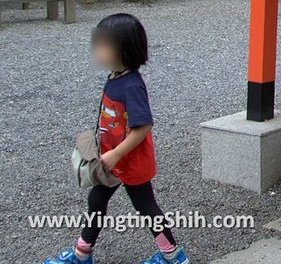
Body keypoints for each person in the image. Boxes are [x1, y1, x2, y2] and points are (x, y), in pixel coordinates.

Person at [44, 14, 188, 264]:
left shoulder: (131, 85)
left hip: (130, 162)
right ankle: (81, 254)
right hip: (111, 161)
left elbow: (143, 126)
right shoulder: (115, 77)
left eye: (103, 45)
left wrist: (116, 153)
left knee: (146, 207)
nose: (96, 51)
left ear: (125, 50)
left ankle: (173, 256)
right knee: (96, 200)